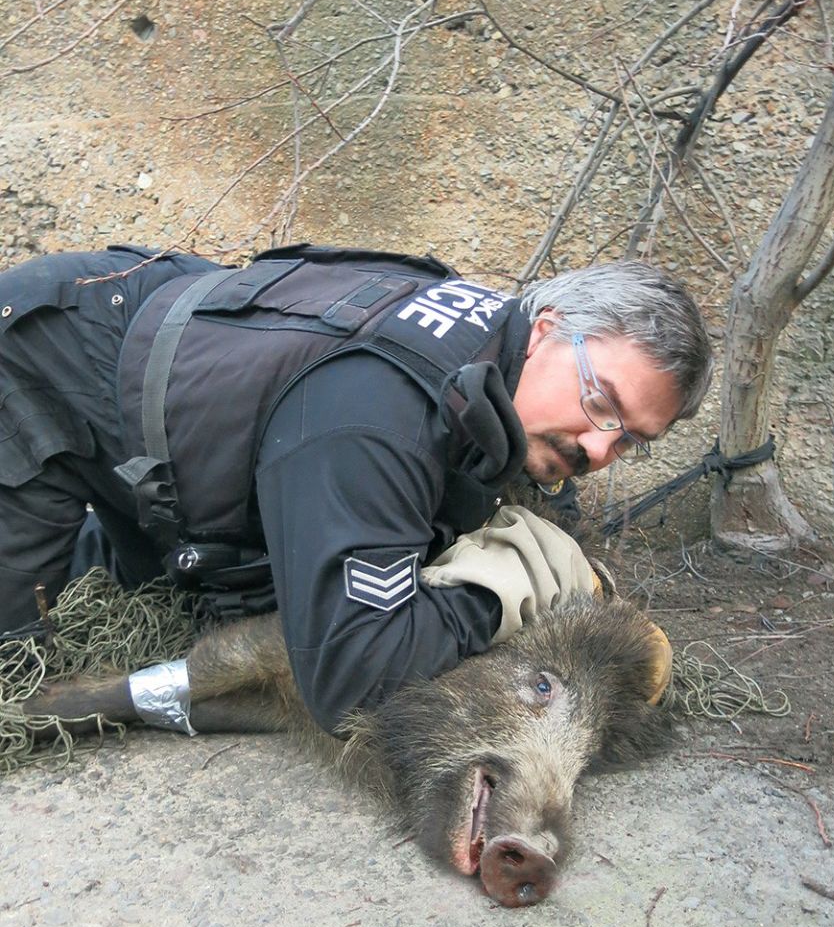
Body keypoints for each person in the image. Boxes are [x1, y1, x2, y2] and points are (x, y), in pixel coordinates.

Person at [0, 242, 712, 734]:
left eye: (629, 441)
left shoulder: (501, 371)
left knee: (136, 588)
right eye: (600, 403)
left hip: (169, 411)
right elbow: (349, 681)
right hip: (39, 361)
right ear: (550, 329)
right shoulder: (381, 418)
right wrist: (489, 593)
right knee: (19, 667)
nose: (598, 448)